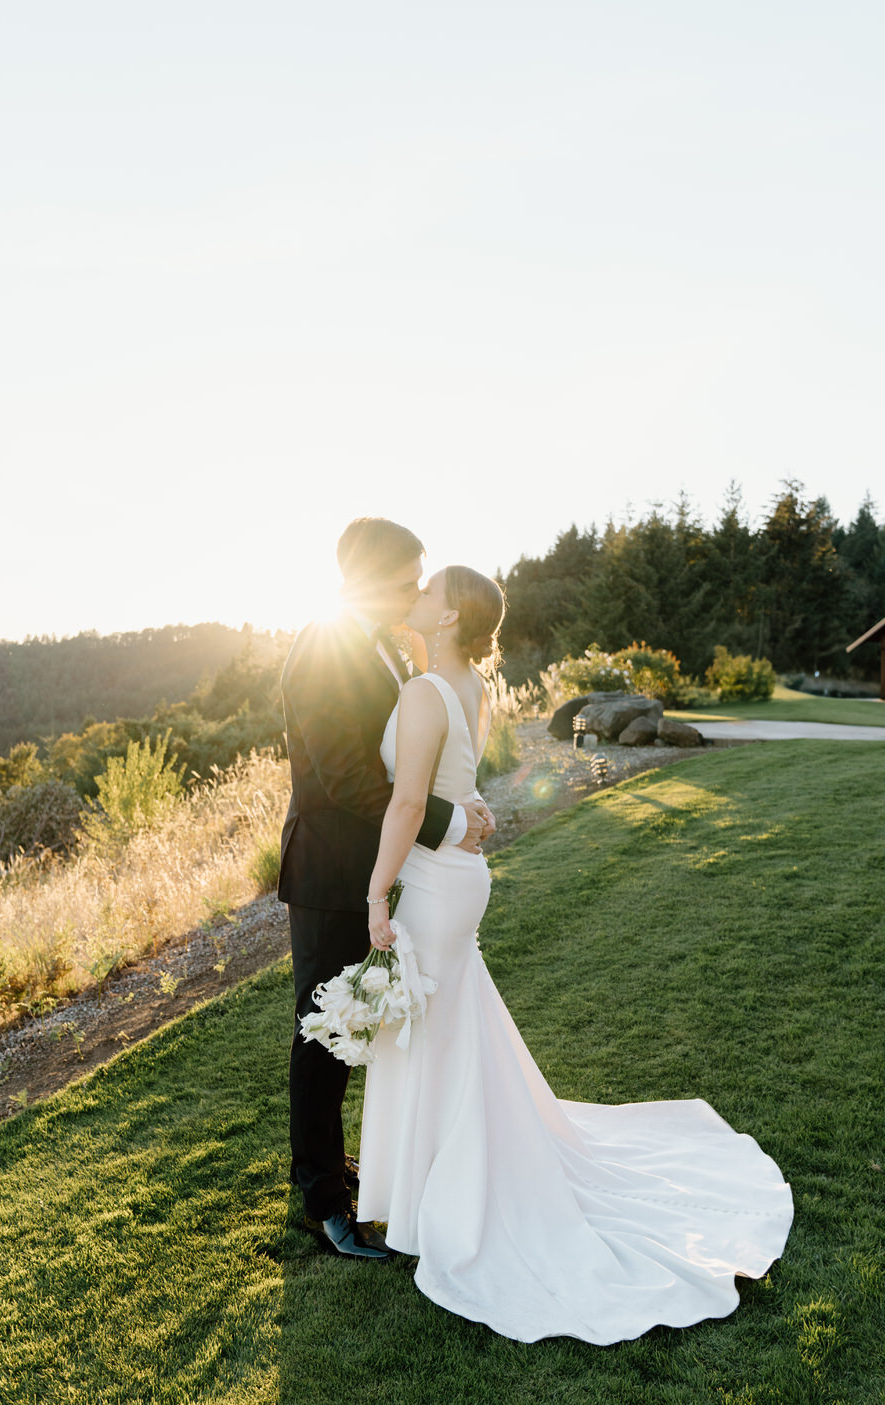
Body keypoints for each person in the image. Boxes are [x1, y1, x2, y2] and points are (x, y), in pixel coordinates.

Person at [355, 563, 795, 1343]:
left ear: (450, 616)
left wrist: (375, 894)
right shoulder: (468, 689)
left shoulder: (425, 693)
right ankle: (432, 1186)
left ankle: (442, 1197)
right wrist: (463, 822)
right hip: (461, 875)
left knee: (429, 1032)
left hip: (430, 882)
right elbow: (458, 788)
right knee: (447, 1030)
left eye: (426, 592)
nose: (413, 597)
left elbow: (410, 801)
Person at [279, 518, 496, 1261]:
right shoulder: (325, 646)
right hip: (330, 871)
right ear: (374, 578)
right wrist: (447, 821)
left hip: (372, 867)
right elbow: (346, 777)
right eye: (408, 577)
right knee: (323, 1031)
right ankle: (323, 1202)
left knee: (358, 1021)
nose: (415, 588)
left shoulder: (384, 648)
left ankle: (342, 1170)